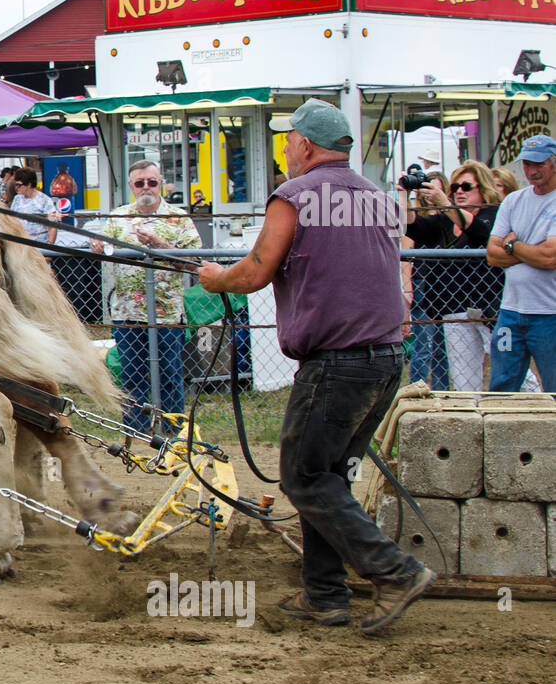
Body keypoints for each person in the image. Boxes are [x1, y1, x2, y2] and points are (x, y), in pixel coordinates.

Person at [198, 98, 436, 635]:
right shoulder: (375, 197)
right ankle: (325, 596)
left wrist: (216, 279)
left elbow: (257, 270)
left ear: (305, 144)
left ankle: (396, 571)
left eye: (287, 141)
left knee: (304, 477)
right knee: (328, 479)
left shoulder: (295, 195)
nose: (285, 150)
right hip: (385, 357)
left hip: (336, 364)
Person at [90, 159, 200, 434]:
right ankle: (136, 431)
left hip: (166, 313)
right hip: (127, 312)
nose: (146, 187)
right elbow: (101, 247)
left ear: (161, 182)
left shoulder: (179, 217)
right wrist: (97, 245)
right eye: (140, 183)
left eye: (152, 182)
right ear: (131, 186)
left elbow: (196, 261)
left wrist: (162, 247)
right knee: (132, 374)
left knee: (170, 375)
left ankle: (174, 430)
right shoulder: (118, 217)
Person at [486, 134, 556, 392]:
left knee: (554, 386)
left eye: (539, 164)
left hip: (550, 311)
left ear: (554, 164)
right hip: (512, 309)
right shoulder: (514, 200)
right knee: (502, 384)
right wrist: (532, 249)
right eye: (527, 164)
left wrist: (512, 244)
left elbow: (550, 258)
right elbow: (492, 254)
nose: (531, 171)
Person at [432, 161, 504, 392]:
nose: (459, 191)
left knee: (509, 367)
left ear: (483, 189)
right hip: (456, 305)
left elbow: (482, 233)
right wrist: (405, 195)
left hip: (492, 307)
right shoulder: (445, 220)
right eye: (455, 187)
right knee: (464, 382)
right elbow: (411, 227)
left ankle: (537, 410)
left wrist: (445, 204)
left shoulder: (495, 214)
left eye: (466, 186)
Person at [399, 170, 452, 390]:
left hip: (449, 287)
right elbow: (405, 254)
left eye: (437, 188)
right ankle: (416, 389)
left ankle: (442, 391)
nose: (431, 193)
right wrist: (408, 291)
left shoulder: (452, 220)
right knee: (423, 345)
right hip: (423, 284)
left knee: (442, 348)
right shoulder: (419, 221)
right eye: (428, 188)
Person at [7, 167, 60, 246]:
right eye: (15, 184)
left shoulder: (45, 200)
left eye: (19, 185)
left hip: (39, 246)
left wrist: (49, 249)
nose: (16, 188)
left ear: (29, 184)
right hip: (20, 245)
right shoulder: (17, 198)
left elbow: (53, 226)